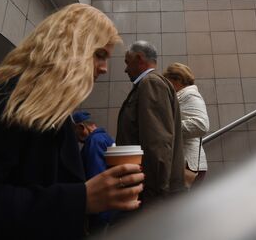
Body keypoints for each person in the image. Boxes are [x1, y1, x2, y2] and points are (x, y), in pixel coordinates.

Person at [0, 4, 144, 240]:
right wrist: (80, 198)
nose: (104, 69)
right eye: (100, 54)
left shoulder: (51, 113)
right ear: (70, 47)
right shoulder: (6, 102)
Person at [116, 41, 185, 206]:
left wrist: (155, 193)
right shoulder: (149, 83)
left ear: (139, 58)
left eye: (127, 62)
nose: (125, 69)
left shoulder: (150, 83)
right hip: (154, 191)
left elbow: (158, 142)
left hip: (153, 194)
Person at [164, 63, 209, 188]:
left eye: (169, 82)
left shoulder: (189, 95)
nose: (167, 86)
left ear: (178, 79)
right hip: (186, 163)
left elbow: (201, 125)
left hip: (189, 165)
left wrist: (166, 127)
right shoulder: (183, 95)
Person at [71, 110, 115, 230]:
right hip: (110, 207)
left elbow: (96, 177)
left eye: (73, 131)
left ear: (81, 127)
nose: (74, 137)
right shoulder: (106, 137)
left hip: (101, 211)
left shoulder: (94, 141)